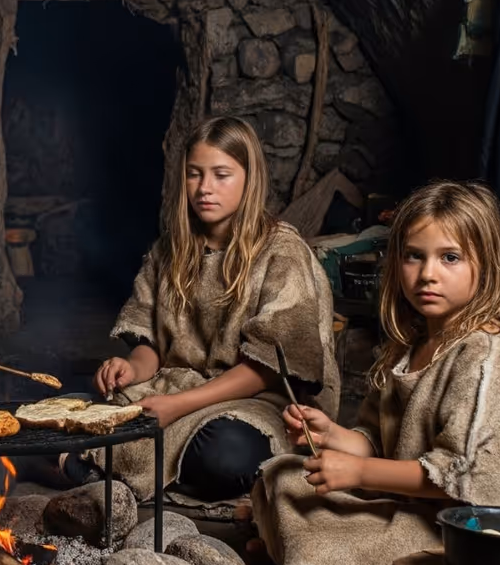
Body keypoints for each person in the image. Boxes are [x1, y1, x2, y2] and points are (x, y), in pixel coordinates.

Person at [251, 181, 500, 565]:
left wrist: (358, 472)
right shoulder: (410, 344)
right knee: (279, 476)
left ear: (486, 266)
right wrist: (334, 436)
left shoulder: (491, 359)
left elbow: (478, 485)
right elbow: (379, 442)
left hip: (469, 533)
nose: (427, 274)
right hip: (406, 505)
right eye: (414, 256)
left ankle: (298, 553)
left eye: (449, 258)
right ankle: (298, 542)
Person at [59, 116, 339, 505]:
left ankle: (92, 469)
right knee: (66, 412)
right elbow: (149, 342)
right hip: (174, 387)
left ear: (249, 178)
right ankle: (116, 468)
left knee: (226, 454)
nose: (205, 188)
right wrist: (132, 369)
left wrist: (177, 408)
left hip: (252, 402)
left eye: (221, 175)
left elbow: (265, 369)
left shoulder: (281, 252)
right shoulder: (169, 250)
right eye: (195, 175)